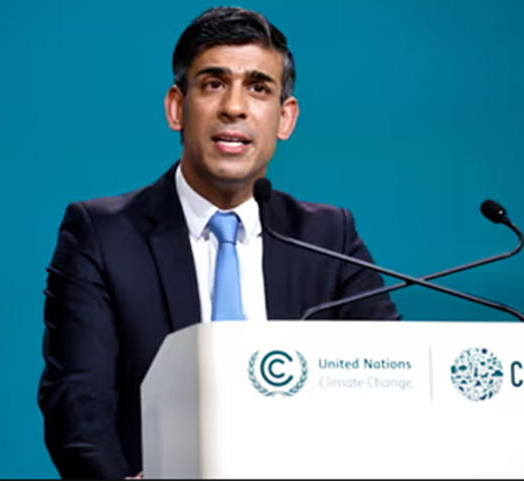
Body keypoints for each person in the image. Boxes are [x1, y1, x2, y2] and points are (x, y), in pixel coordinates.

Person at [38, 6, 400, 478]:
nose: (234, 107)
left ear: (285, 118)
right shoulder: (102, 235)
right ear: (177, 107)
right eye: (213, 84)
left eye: (258, 88)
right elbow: (77, 404)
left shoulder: (329, 238)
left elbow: (394, 379)